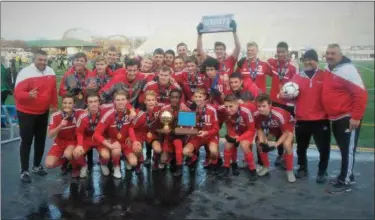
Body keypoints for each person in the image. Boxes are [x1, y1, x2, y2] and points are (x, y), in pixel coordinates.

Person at [279, 49, 331, 184]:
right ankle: (302, 168)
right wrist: (283, 95)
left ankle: (322, 171)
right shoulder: (297, 77)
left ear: (317, 60)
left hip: (321, 119)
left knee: (323, 148)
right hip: (302, 118)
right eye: (306, 59)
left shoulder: (325, 76)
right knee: (301, 147)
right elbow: (285, 93)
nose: (308, 62)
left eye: (311, 59)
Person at [323, 44, 368, 193]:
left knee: (348, 150)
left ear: (340, 55)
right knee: (343, 149)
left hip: (347, 117)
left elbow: (361, 94)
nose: (329, 56)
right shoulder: (329, 68)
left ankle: (345, 181)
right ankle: (347, 175)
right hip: (336, 117)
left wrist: (356, 117)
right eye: (328, 53)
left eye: (333, 53)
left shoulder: (347, 70)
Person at [14, 50, 58, 183]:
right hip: (26, 112)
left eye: (45, 60)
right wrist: (28, 95)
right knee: (26, 141)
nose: (43, 62)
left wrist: (54, 106)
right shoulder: (25, 73)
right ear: (34, 59)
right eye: (40, 60)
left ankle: (37, 166)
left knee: (40, 140)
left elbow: (53, 91)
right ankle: (24, 171)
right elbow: (17, 93)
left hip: (43, 112)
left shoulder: (51, 71)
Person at [93, 90, 139, 178]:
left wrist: (133, 140)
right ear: (114, 101)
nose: (121, 102)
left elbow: (131, 127)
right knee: (113, 152)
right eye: (118, 100)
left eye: (123, 99)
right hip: (112, 140)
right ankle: (115, 167)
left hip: (124, 141)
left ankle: (125, 158)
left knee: (133, 162)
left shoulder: (131, 113)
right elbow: (96, 134)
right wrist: (110, 145)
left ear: (127, 101)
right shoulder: (109, 114)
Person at [266, 41, 297, 167]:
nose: (280, 54)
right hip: (274, 102)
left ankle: (287, 155)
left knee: (288, 131)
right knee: (277, 130)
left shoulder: (293, 67)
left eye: (283, 52)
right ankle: (280, 155)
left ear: (287, 52)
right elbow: (266, 64)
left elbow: (297, 85)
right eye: (278, 52)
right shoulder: (273, 64)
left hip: (288, 104)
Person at [254, 93, 296, 183]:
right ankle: (266, 166)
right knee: (259, 142)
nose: (261, 109)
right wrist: (262, 143)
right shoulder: (257, 115)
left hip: (287, 128)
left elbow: (285, 133)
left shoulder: (279, 114)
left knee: (287, 145)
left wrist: (275, 145)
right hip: (273, 127)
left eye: (264, 106)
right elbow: (259, 129)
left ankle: (289, 170)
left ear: (270, 105)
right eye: (259, 106)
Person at [44, 94, 85, 178]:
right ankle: (65, 161)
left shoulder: (80, 112)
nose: (67, 105)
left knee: (68, 153)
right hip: (59, 142)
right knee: (49, 164)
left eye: (70, 103)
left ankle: (75, 167)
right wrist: (59, 126)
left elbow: (90, 111)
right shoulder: (55, 116)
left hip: (72, 141)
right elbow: (50, 135)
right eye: (65, 103)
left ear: (74, 104)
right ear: (62, 103)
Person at [73, 92, 111, 177]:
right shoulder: (83, 116)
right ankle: (84, 166)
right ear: (86, 103)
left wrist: (131, 110)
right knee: (76, 153)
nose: (93, 104)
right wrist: (79, 145)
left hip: (100, 139)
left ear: (99, 102)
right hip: (87, 139)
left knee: (106, 155)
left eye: (95, 101)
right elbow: (79, 132)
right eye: (90, 102)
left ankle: (103, 164)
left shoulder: (105, 110)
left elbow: (120, 102)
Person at [220, 94, 257, 181]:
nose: (228, 109)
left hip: (247, 131)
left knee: (244, 145)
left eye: (231, 106)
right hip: (235, 130)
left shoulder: (246, 112)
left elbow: (251, 129)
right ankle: (228, 166)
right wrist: (232, 134)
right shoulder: (223, 110)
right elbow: (215, 108)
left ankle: (252, 169)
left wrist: (239, 138)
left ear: (237, 104)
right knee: (228, 145)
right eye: (226, 106)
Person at [183, 88, 220, 171]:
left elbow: (216, 129)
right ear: (193, 98)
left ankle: (212, 161)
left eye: (200, 96)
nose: (198, 98)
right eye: (196, 96)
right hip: (196, 136)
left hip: (210, 136)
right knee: (185, 151)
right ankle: (194, 157)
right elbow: (186, 127)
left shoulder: (211, 110)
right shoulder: (191, 109)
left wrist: (206, 132)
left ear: (204, 97)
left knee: (213, 152)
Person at [131, 91, 163, 171]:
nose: (151, 102)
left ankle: (155, 160)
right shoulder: (139, 113)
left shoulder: (159, 111)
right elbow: (131, 127)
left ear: (156, 101)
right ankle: (139, 162)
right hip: (140, 134)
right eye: (149, 100)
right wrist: (134, 140)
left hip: (152, 134)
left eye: (153, 100)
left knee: (158, 149)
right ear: (145, 101)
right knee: (137, 148)